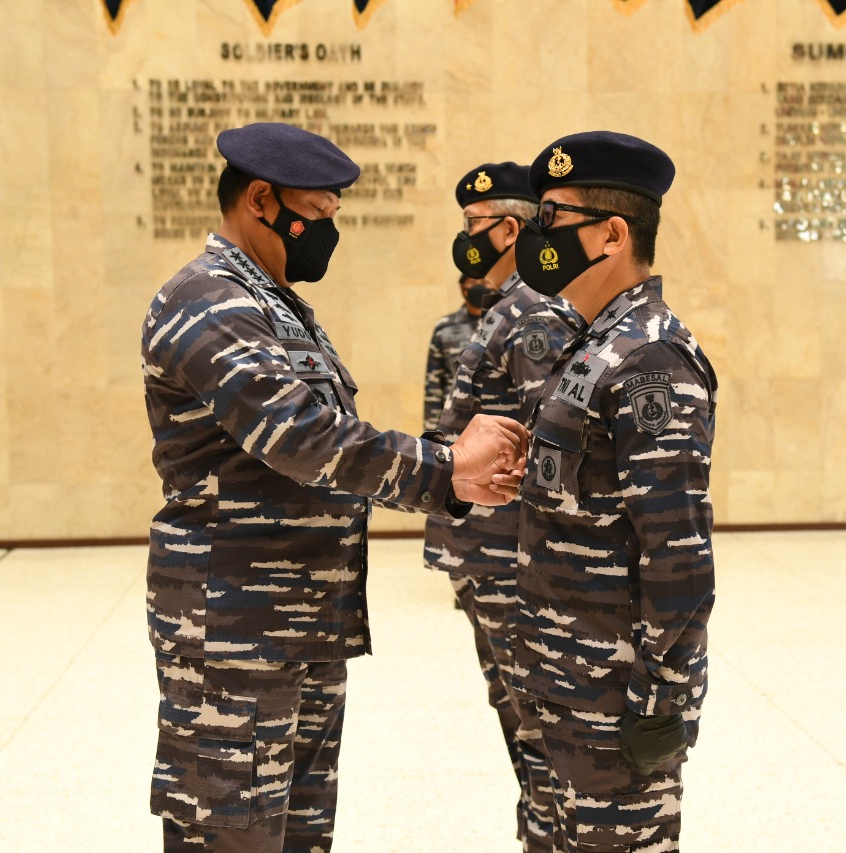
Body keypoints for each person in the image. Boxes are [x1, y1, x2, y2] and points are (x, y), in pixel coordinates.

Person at [140, 122, 528, 852]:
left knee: (296, 837)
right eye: (317, 217)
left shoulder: (278, 305)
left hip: (299, 629)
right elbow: (302, 437)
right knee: (232, 834)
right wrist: (448, 470)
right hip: (233, 636)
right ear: (261, 199)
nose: (326, 234)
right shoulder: (208, 300)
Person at [511, 131, 718, 852]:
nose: (538, 238)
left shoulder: (652, 360)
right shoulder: (589, 340)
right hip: (557, 678)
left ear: (611, 234)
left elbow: (680, 555)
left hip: (614, 699)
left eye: (553, 220)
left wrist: (658, 700)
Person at [424, 161, 581, 852]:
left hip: (511, 560)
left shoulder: (533, 311)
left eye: (473, 230)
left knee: (538, 733)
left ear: (508, 229)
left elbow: (556, 441)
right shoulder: (510, 305)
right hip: (488, 555)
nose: (466, 244)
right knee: (524, 725)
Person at [422, 273, 494, 434]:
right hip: (455, 424)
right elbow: (434, 384)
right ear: (462, 287)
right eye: (472, 281)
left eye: (483, 281)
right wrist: (431, 434)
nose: (478, 285)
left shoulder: (506, 323)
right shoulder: (444, 327)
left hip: (497, 418)